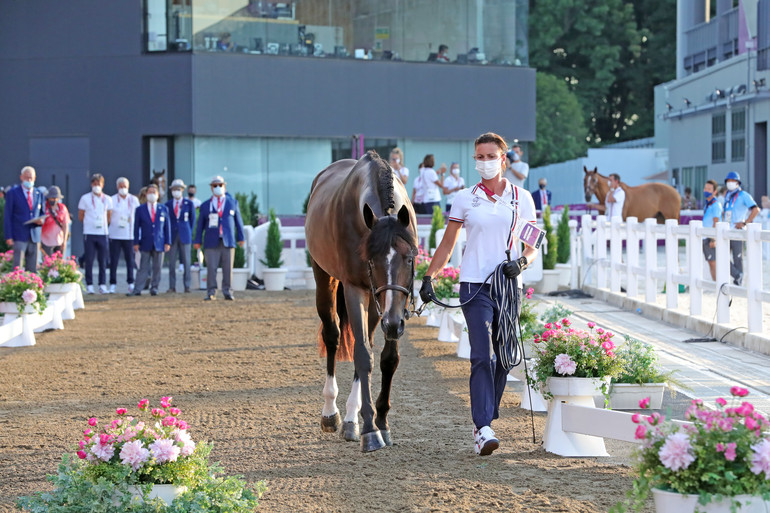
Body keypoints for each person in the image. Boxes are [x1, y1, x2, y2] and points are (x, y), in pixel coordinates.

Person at [420, 132, 538, 456]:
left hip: (507, 284)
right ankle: (483, 427)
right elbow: (447, 244)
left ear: (503, 159)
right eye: (479, 157)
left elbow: (533, 245)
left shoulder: (522, 198)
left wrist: (523, 262)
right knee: (481, 355)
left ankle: (486, 413)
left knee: (505, 356)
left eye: (490, 156)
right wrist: (429, 276)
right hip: (474, 285)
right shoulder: (463, 198)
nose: (483, 162)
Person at [194, 176, 245, 301]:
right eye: (215, 185)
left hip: (228, 240)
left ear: (224, 186)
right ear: (211, 188)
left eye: (220, 185)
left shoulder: (232, 202)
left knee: (228, 268)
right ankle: (211, 291)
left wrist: (241, 237)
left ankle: (227, 291)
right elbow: (200, 224)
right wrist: (197, 240)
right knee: (211, 268)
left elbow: (239, 222)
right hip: (211, 241)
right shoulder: (206, 205)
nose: (218, 188)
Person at [3, 166, 45, 271]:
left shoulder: (38, 193)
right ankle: (16, 287)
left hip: (34, 234)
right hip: (19, 234)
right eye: (27, 178)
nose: (29, 180)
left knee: (33, 267)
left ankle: (31, 287)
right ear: (21, 177)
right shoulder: (13, 193)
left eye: (31, 178)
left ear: (35, 178)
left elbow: (42, 212)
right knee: (17, 267)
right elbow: (7, 215)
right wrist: (8, 236)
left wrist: (41, 221)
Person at [131, 184, 170, 296]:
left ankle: (154, 287)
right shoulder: (140, 209)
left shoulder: (163, 209)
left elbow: (167, 227)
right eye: (150, 192)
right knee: (143, 267)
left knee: (157, 267)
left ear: (158, 195)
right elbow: (136, 227)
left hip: (159, 242)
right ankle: (137, 289)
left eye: (154, 192)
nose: (152, 194)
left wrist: (168, 242)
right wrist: (136, 242)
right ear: (146, 194)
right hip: (145, 242)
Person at [722, 171, 759, 285]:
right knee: (722, 256)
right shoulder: (728, 195)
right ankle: (737, 275)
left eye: (732, 181)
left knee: (737, 258)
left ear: (738, 183)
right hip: (727, 230)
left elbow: (755, 209)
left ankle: (738, 281)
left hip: (738, 232)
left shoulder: (744, 195)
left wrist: (745, 222)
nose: (730, 183)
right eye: (728, 181)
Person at [78, 173, 113, 294]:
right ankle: (89, 284)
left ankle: (102, 284)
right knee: (89, 260)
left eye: (98, 184)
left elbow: (109, 216)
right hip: (89, 232)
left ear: (102, 185)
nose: (96, 186)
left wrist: (103, 225)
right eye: (94, 184)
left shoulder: (108, 199)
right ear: (91, 184)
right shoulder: (85, 198)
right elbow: (81, 216)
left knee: (103, 260)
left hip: (103, 233)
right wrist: (90, 223)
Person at [108, 177, 139, 294]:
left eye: (124, 186)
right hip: (115, 234)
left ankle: (131, 282)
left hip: (129, 235)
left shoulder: (134, 200)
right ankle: (112, 283)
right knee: (114, 260)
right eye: (120, 186)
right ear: (117, 187)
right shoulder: (112, 199)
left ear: (128, 187)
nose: (123, 189)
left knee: (130, 260)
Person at [165, 179, 195, 293]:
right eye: (174, 189)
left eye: (178, 189)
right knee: (171, 263)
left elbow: (192, 220)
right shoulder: (167, 204)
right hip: (172, 235)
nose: (176, 191)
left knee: (187, 261)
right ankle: (172, 286)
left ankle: (187, 285)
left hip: (184, 235)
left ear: (182, 190)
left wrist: (188, 231)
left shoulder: (189, 204)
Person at [40, 186, 70, 256]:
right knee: (47, 263)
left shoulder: (62, 208)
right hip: (46, 241)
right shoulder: (44, 208)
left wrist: (64, 241)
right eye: (52, 198)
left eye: (56, 198)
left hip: (59, 240)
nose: (54, 200)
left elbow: (65, 225)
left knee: (59, 263)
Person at [701, 179, 722, 281]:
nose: (706, 190)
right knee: (711, 262)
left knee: (713, 263)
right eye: (705, 188)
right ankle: (716, 283)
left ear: (715, 192)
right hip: (706, 236)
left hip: (710, 237)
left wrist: (713, 239)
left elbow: (716, 221)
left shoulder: (715, 205)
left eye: (709, 189)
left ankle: (717, 283)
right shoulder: (708, 204)